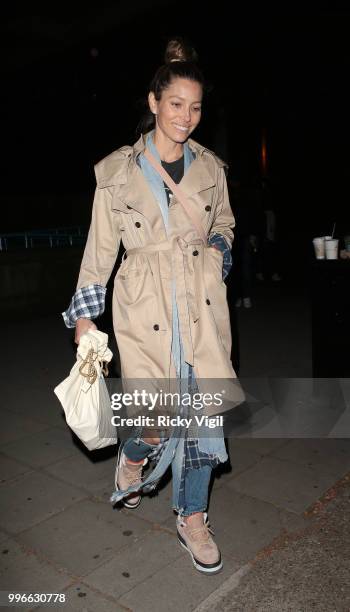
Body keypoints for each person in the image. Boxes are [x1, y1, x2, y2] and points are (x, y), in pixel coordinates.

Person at [62, 37, 242, 575]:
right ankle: (135, 455)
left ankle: (192, 517)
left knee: (204, 414)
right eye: (176, 104)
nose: (186, 116)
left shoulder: (212, 169)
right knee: (157, 413)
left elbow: (226, 226)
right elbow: (99, 252)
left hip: (202, 304)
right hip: (143, 304)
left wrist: (218, 253)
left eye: (196, 106)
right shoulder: (117, 172)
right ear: (153, 103)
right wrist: (86, 317)